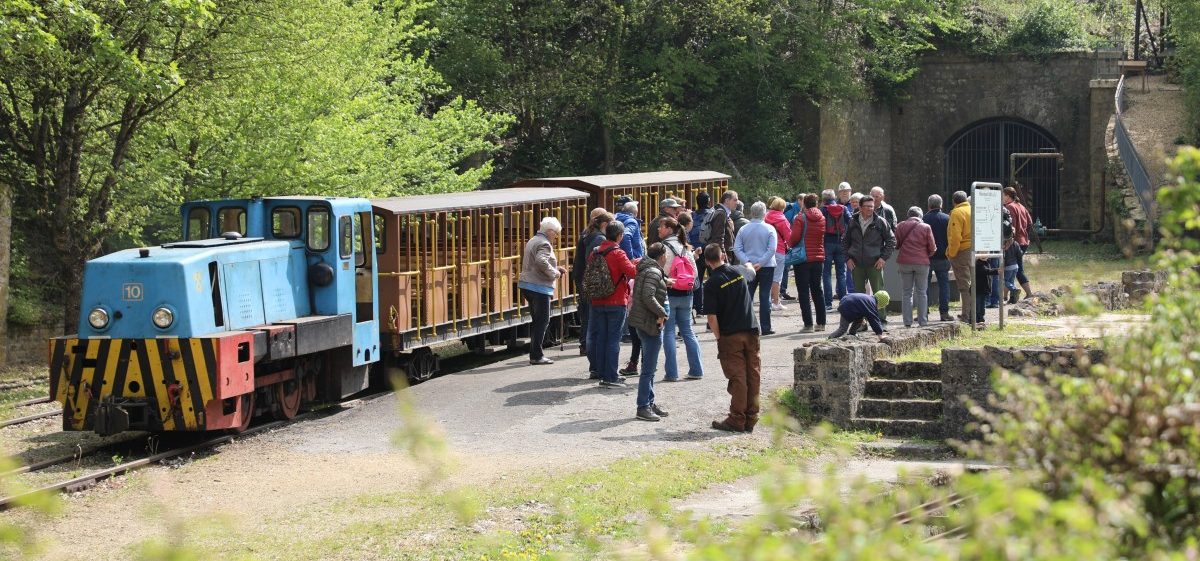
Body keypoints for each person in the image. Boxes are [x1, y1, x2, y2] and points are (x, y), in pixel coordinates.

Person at [702, 243, 761, 433]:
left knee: (738, 377)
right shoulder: (739, 272)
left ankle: (737, 418)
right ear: (724, 256)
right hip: (751, 329)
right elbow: (751, 270)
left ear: (707, 262)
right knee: (753, 374)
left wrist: (719, 337)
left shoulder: (711, 284)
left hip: (730, 333)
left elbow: (712, 317)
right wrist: (751, 265)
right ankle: (751, 417)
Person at [588, 222, 638, 387]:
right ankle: (611, 376)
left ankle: (602, 372)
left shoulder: (595, 252)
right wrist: (637, 263)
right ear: (619, 236)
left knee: (601, 337)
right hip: (616, 300)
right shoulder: (618, 253)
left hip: (597, 300)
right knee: (613, 339)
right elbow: (632, 273)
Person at [628, 242, 671, 421]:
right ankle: (643, 406)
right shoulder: (653, 271)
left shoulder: (646, 269)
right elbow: (648, 296)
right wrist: (663, 313)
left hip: (642, 322)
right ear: (661, 256)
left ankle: (649, 402)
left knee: (649, 366)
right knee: (648, 369)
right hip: (649, 323)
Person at [659, 217, 704, 381]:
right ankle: (696, 369)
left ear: (669, 229)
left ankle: (671, 373)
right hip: (687, 294)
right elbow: (695, 273)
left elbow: (660, 271)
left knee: (669, 332)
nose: (659, 229)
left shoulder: (663, 248)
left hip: (669, 293)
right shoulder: (686, 247)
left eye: (661, 227)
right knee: (688, 331)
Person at [519, 217, 568, 365]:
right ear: (550, 231)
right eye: (556, 233)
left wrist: (555, 267)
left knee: (538, 321)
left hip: (527, 284)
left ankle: (536, 353)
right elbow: (541, 261)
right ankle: (536, 355)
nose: (557, 237)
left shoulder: (533, 239)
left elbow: (537, 261)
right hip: (538, 287)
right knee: (542, 321)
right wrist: (554, 273)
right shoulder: (544, 243)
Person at [843, 196, 895, 322]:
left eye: (872, 206)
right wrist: (848, 259)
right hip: (856, 264)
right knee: (858, 295)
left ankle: (881, 320)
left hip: (875, 263)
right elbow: (845, 242)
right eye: (867, 206)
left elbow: (891, 240)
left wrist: (883, 258)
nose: (870, 209)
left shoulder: (880, 222)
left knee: (879, 293)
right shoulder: (852, 221)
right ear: (860, 208)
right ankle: (860, 322)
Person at [573, 209, 613, 364]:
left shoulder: (588, 233)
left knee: (587, 315)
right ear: (604, 223)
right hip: (589, 281)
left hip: (583, 277)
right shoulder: (598, 238)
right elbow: (594, 262)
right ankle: (589, 351)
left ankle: (586, 346)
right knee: (590, 318)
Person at [733, 201, 777, 336]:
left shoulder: (743, 229)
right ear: (764, 213)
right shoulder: (769, 229)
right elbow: (772, 249)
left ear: (751, 213)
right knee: (764, 296)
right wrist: (761, 262)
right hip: (767, 266)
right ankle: (766, 327)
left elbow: (737, 248)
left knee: (748, 296)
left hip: (748, 267)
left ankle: (747, 325)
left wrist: (748, 262)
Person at [788, 193, 827, 333]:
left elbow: (794, 238)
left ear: (804, 203)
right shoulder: (822, 217)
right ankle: (821, 323)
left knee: (804, 292)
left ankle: (808, 324)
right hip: (818, 257)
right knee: (817, 290)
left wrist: (789, 243)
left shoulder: (800, 218)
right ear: (816, 204)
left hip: (803, 259)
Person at [895, 206, 936, 327]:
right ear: (920, 216)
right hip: (922, 263)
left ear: (908, 215)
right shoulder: (926, 227)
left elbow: (896, 245)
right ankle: (922, 321)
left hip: (904, 262)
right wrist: (926, 254)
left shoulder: (900, 226)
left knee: (907, 293)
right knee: (922, 292)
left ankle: (907, 322)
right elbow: (932, 248)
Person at [923, 195, 953, 322]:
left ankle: (924, 312)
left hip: (927, 257)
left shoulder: (923, 218)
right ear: (941, 205)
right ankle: (944, 313)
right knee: (944, 285)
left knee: (924, 285)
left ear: (929, 205)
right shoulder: (947, 218)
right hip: (943, 257)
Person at [946, 190, 974, 324]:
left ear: (954, 201)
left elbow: (956, 236)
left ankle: (966, 315)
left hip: (961, 251)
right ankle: (974, 312)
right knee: (972, 283)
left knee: (963, 285)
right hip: (974, 249)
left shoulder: (957, 213)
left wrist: (951, 253)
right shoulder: (972, 210)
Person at [820, 188, 849, 311]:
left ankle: (828, 303)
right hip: (841, 243)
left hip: (827, 243)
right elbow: (851, 221)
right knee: (841, 273)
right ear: (833, 197)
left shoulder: (823, 210)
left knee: (826, 274)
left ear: (823, 200)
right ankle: (843, 302)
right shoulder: (843, 208)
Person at [1004, 185, 1034, 299]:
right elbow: (1030, 223)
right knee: (1014, 268)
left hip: (1013, 242)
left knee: (1012, 268)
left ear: (1007, 196)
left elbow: (1011, 226)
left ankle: (1028, 293)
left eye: (1003, 195)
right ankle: (1007, 295)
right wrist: (1025, 235)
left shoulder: (1010, 207)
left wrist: (1009, 241)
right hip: (1024, 241)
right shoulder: (1021, 206)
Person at [764, 197, 793, 311]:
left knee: (766, 277)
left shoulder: (765, 217)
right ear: (782, 208)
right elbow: (789, 237)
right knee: (777, 278)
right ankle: (776, 302)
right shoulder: (782, 219)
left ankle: (766, 301)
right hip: (779, 250)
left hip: (765, 250)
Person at [689, 192, 712, 316]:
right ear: (708, 201)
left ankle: (699, 306)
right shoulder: (712, 214)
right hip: (709, 250)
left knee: (697, 278)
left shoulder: (692, 215)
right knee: (713, 278)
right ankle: (711, 304)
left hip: (695, 250)